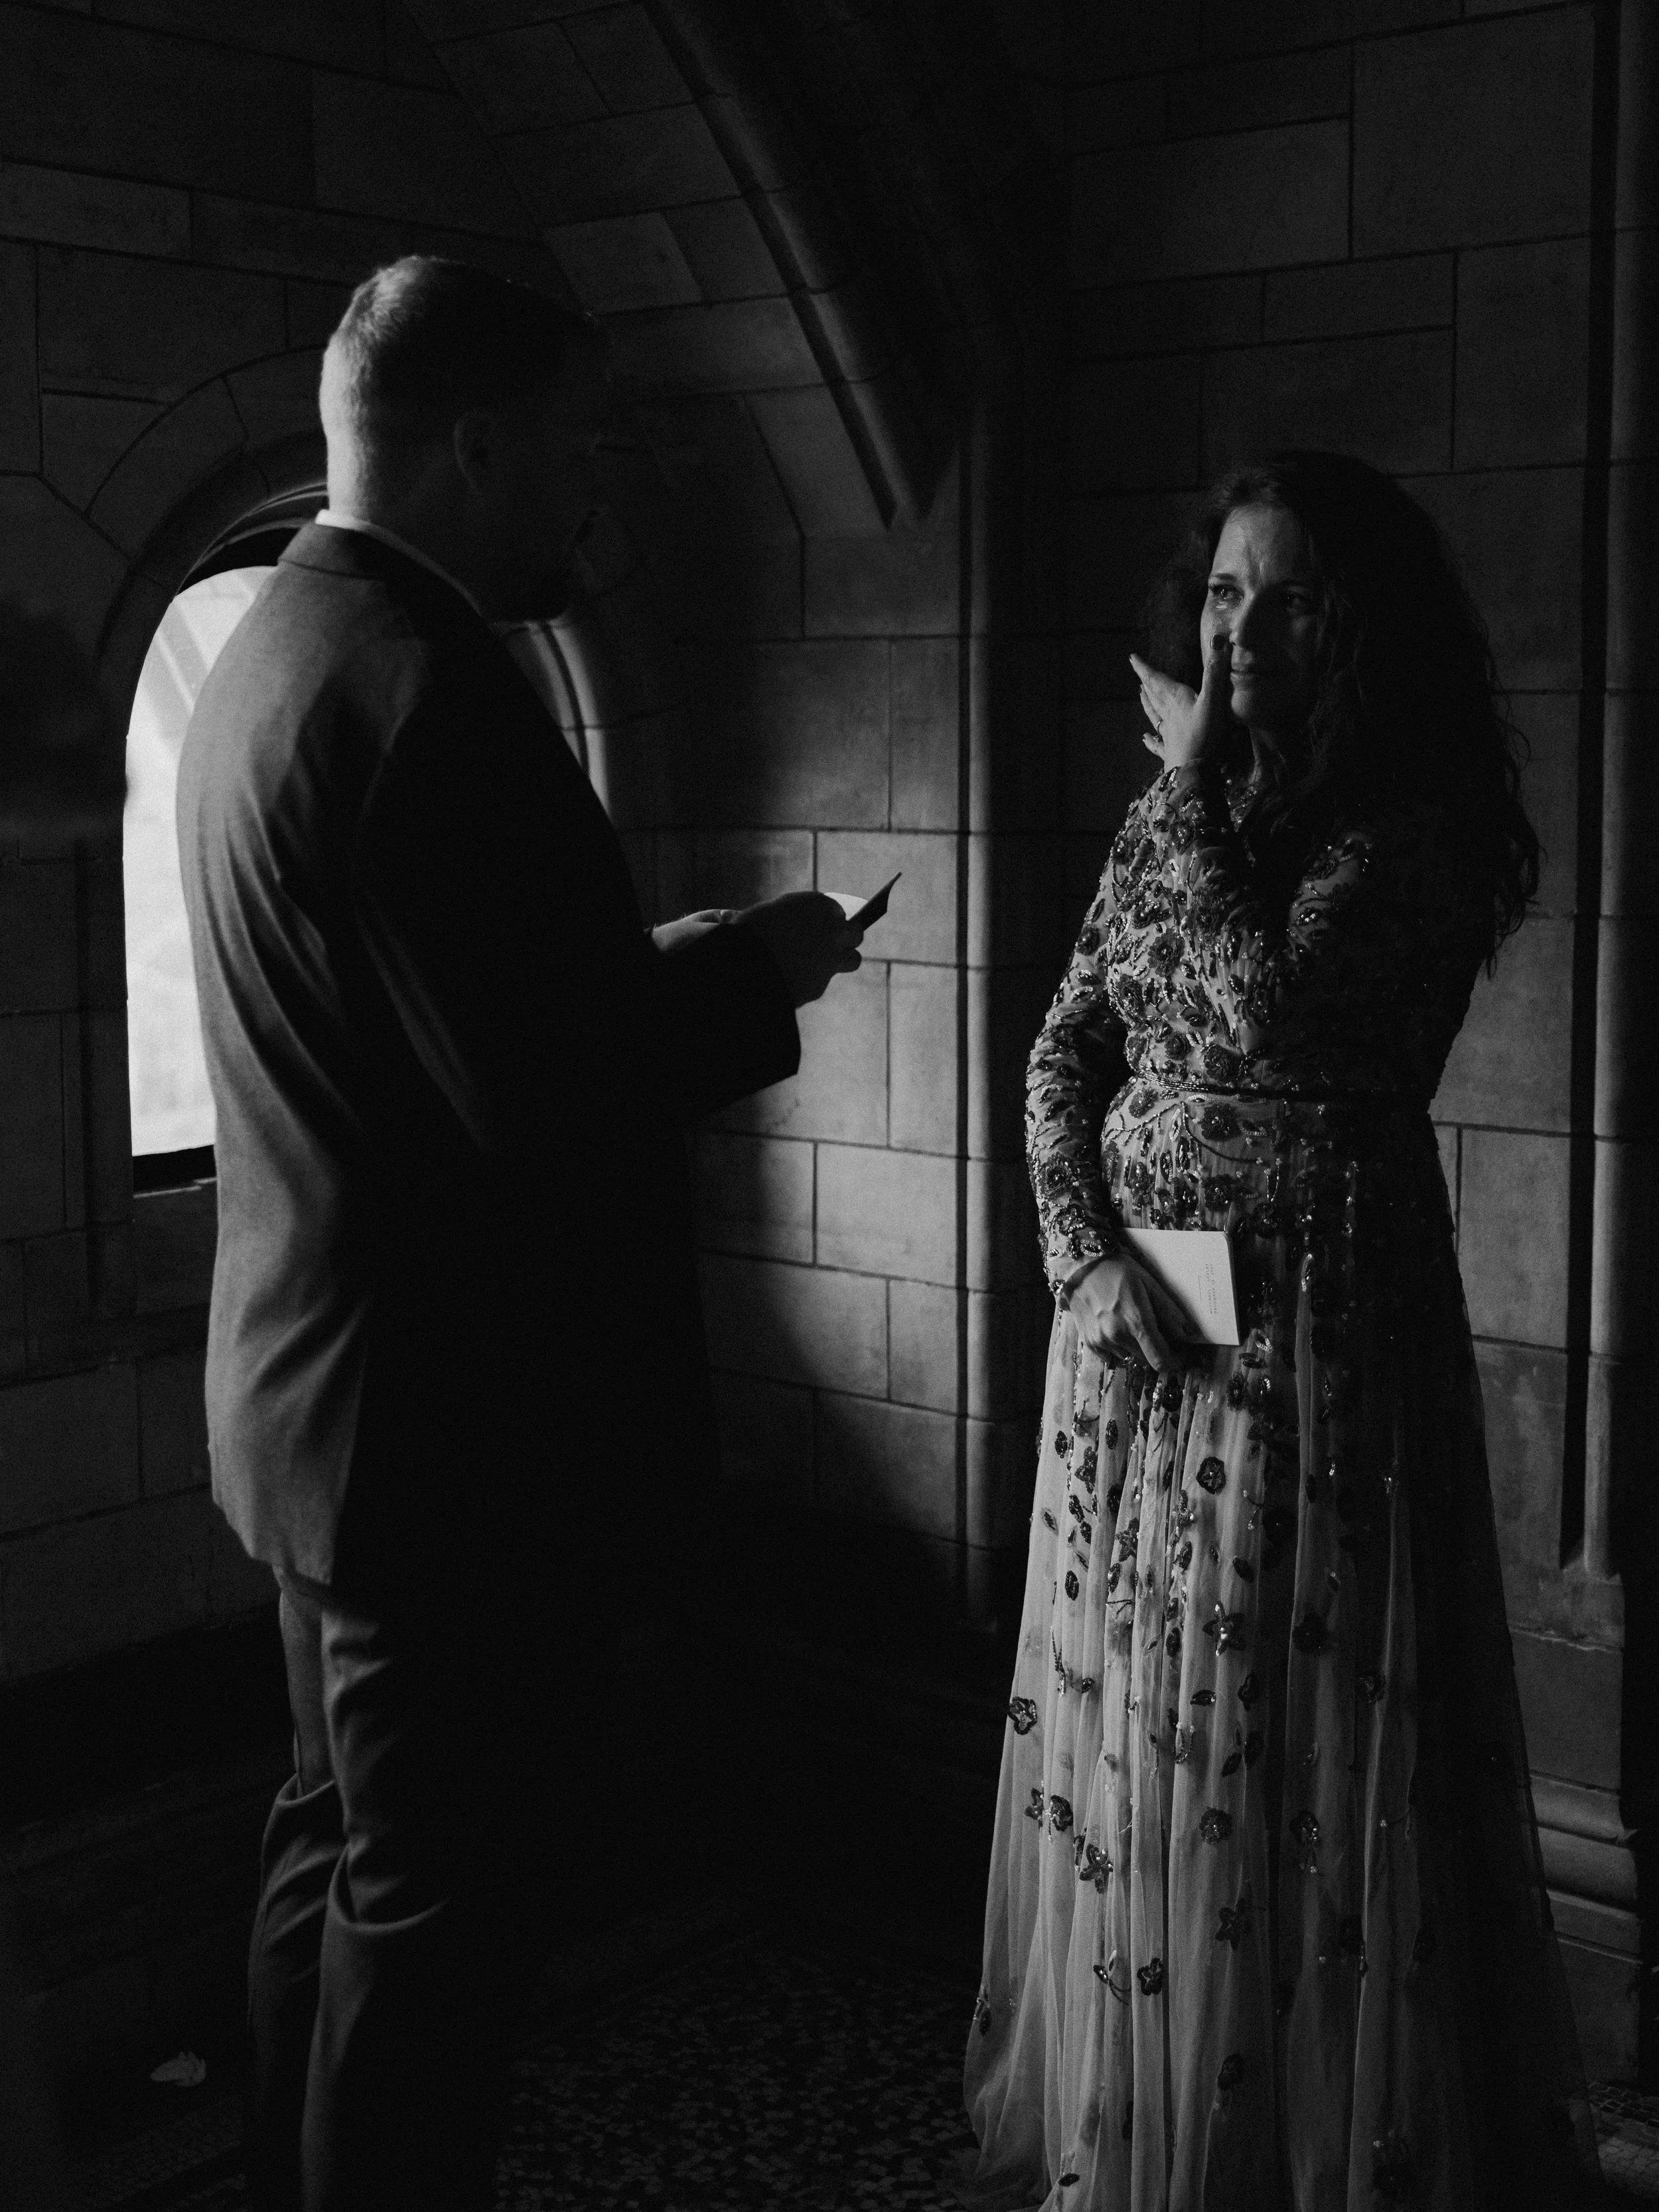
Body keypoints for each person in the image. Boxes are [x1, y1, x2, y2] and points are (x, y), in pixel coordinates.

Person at [176, 256, 862, 2212]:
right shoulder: (433, 687)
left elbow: (442, 1013)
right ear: (473, 445)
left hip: (309, 1408)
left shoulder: (267, 650)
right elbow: (548, 1092)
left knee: (330, 1862)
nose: (599, 491)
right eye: (576, 444)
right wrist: (763, 975)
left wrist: (659, 961)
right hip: (447, 1443)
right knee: (437, 1934)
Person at [963, 453, 1599, 2211]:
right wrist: (1079, 1255)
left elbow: (1266, 1014)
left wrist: (1182, 790)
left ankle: (1303, 2142)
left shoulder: (1412, 822)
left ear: (1357, 620)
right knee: (1144, 1704)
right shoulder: (1185, 809)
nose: (1235, 630)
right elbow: (1063, 1047)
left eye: (1282, 594)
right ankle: (1155, 2122)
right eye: (1222, 591)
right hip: (1141, 1324)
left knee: (1280, 1702)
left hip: (1312, 1311)